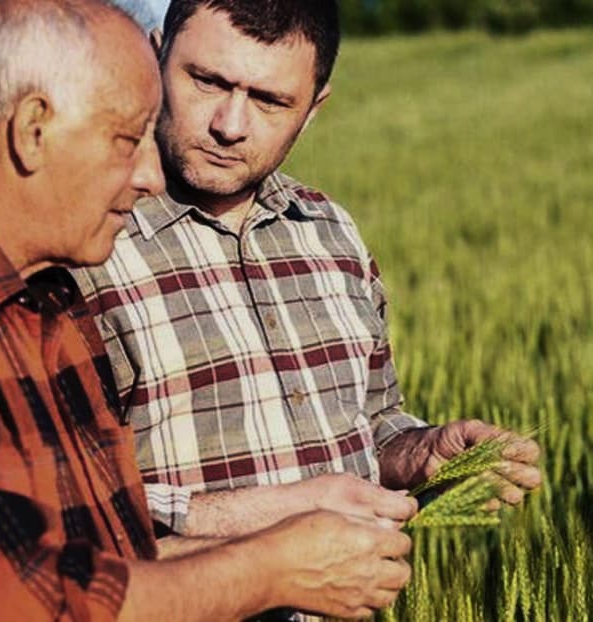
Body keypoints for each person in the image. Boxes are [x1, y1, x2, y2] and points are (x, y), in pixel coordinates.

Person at [0, 0, 416, 620]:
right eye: (127, 140)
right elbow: (28, 608)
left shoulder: (46, 307)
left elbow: (111, 563)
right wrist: (274, 568)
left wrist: (294, 545)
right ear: (33, 131)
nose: (150, 177)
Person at [75, 0, 541, 552]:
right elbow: (51, 509)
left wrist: (416, 453)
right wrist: (271, 519)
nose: (229, 125)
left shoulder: (328, 230)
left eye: (270, 100)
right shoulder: (80, 243)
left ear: (314, 107)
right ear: (156, 57)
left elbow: (368, 421)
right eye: (206, 81)